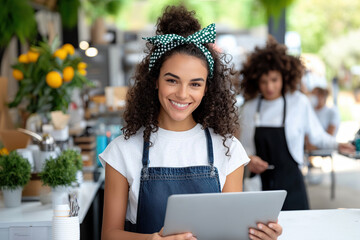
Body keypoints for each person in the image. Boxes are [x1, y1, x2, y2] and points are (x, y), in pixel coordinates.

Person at [100, 5, 282, 240]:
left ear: (207, 88)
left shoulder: (228, 150)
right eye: (172, 80)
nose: (183, 94)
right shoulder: (123, 151)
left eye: (195, 84)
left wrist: (259, 236)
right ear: (155, 80)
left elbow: (231, 233)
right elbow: (109, 235)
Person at [238, 38, 355, 211]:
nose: (269, 86)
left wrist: (337, 145)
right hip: (259, 187)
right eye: (264, 81)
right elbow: (241, 148)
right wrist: (248, 160)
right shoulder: (249, 107)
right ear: (256, 81)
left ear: (284, 77)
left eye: (274, 79)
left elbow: (317, 135)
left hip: (292, 185)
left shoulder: (299, 103)